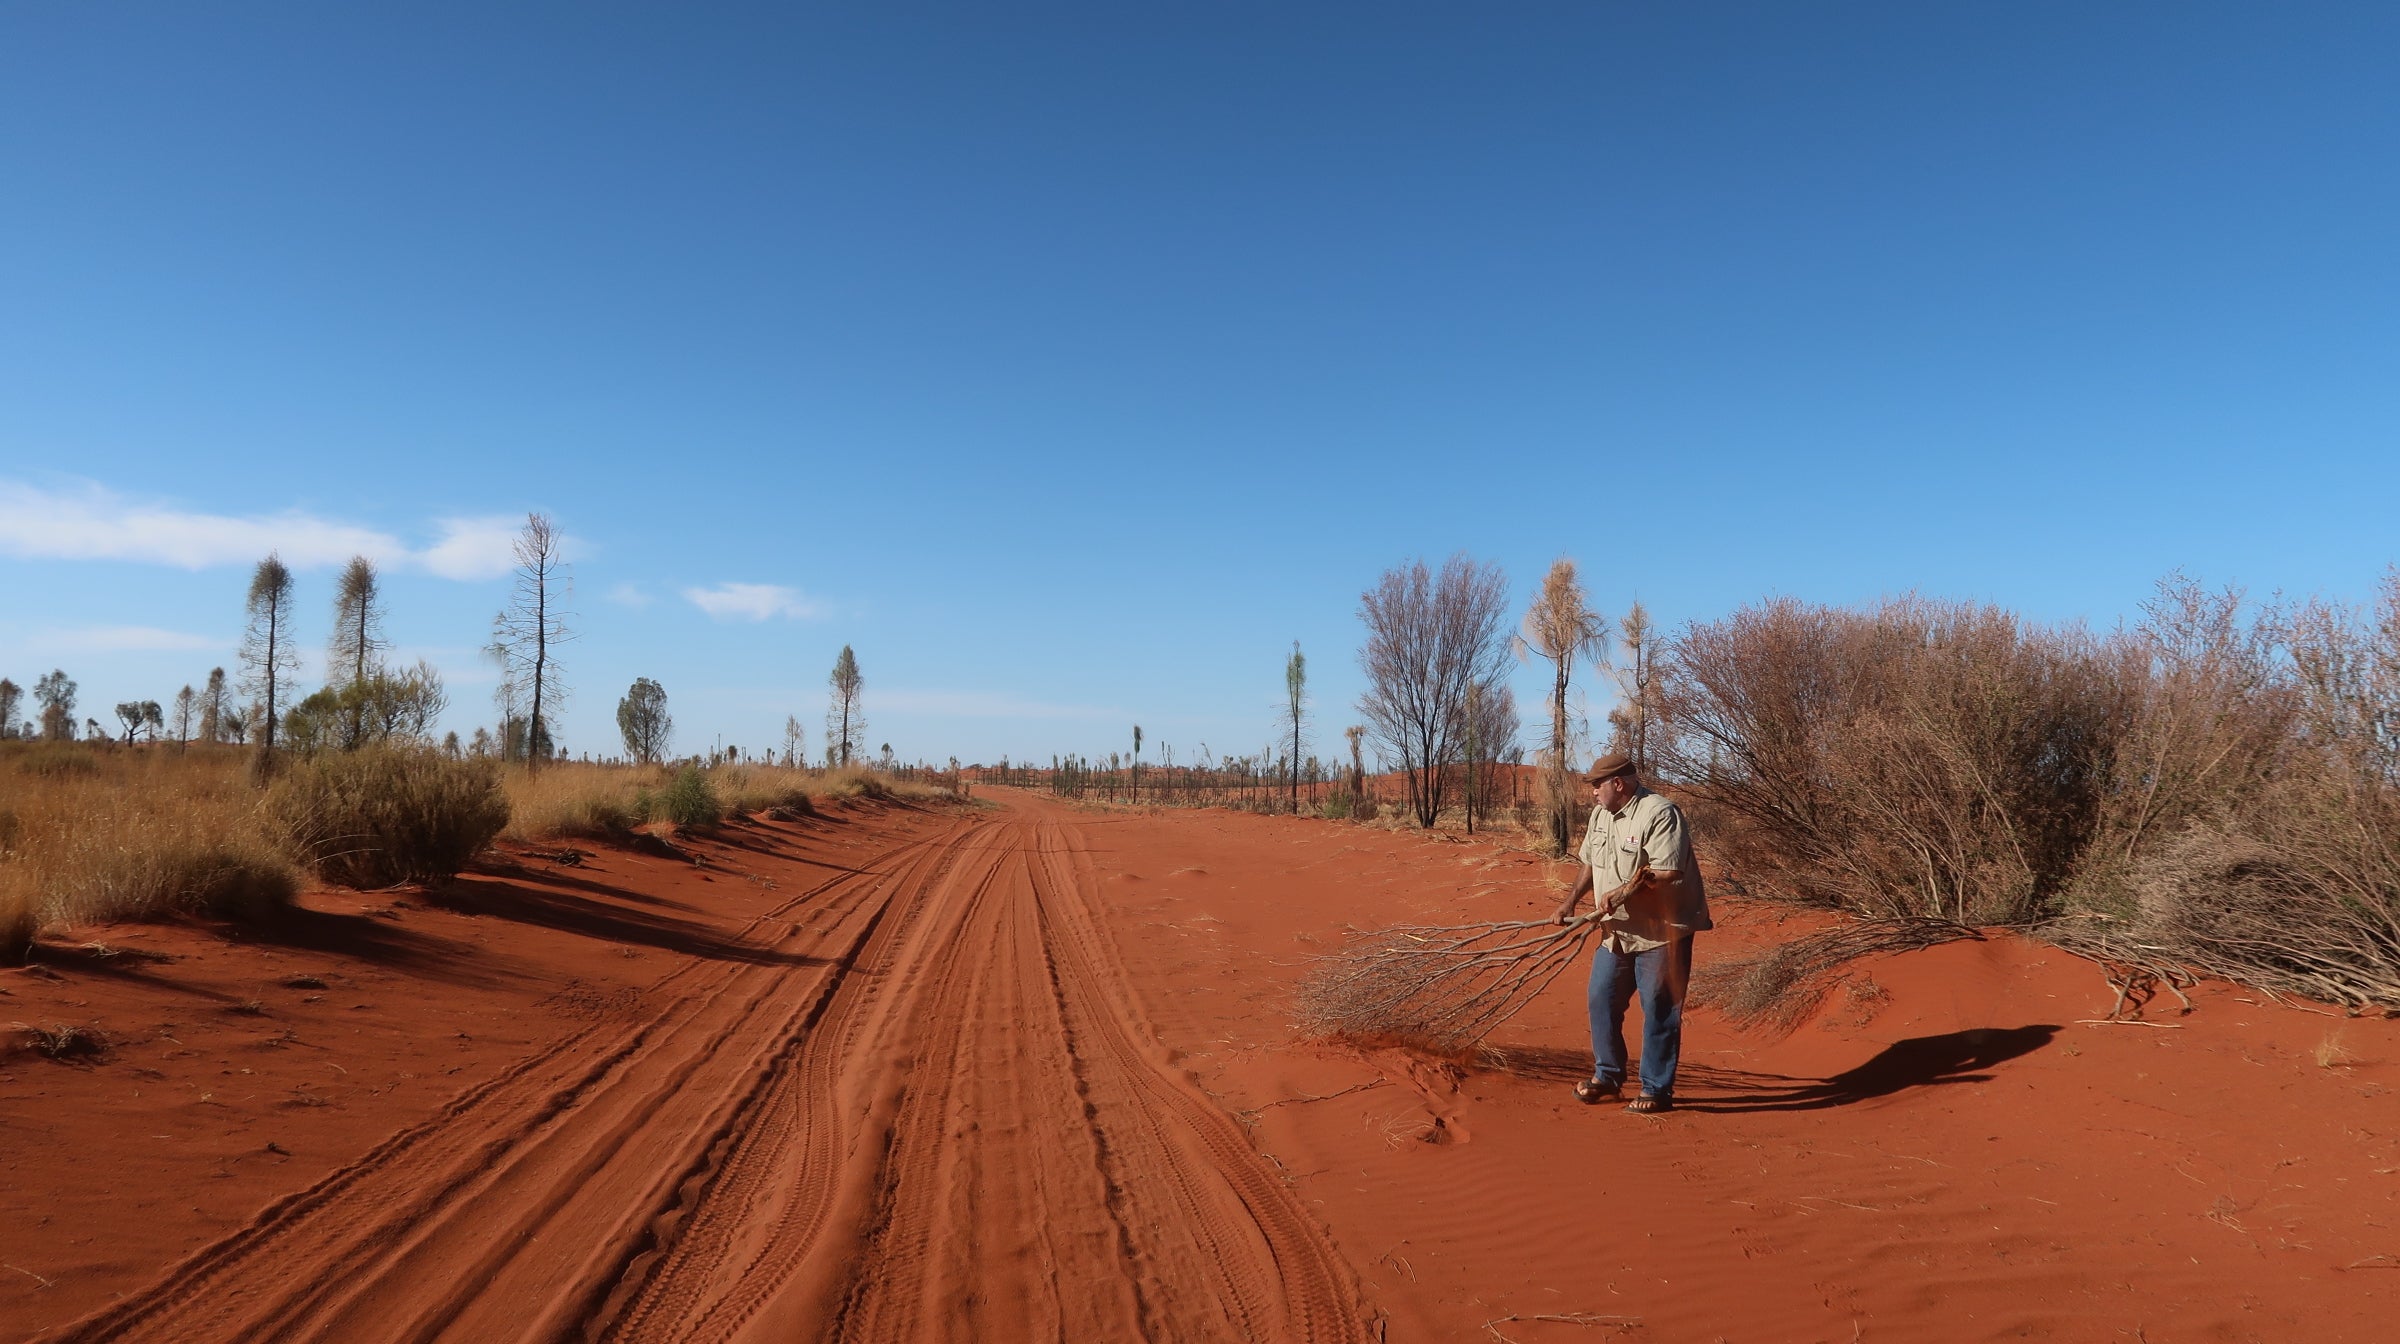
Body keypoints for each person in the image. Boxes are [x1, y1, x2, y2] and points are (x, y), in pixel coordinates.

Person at [1550, 752, 1710, 1114]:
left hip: (1661, 934)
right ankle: (1607, 1078)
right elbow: (1590, 862)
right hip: (1616, 932)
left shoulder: (1659, 813)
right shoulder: (1600, 816)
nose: (1592, 792)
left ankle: (1656, 1089)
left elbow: (1667, 871)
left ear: (1617, 784)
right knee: (1601, 1001)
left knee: (1659, 1009)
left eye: (1596, 785)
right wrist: (1569, 902)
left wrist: (1623, 891)